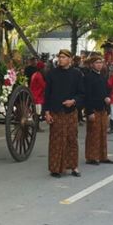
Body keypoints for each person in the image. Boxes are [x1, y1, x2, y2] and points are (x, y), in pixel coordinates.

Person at [44, 49, 84, 177]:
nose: (61, 59)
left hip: (71, 112)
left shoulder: (77, 74)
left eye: (64, 57)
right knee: (56, 140)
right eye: (60, 57)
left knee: (72, 139)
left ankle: (73, 166)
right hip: (56, 111)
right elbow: (47, 95)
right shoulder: (52, 74)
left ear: (70, 59)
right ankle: (55, 169)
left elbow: (82, 94)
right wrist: (46, 112)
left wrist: (73, 101)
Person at [83, 56, 113, 165]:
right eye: (96, 62)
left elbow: (106, 92)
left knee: (102, 133)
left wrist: (107, 99)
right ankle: (91, 157)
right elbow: (87, 96)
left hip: (102, 108)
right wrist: (89, 111)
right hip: (93, 109)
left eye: (100, 62)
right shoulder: (88, 77)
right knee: (93, 133)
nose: (99, 64)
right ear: (91, 64)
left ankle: (102, 156)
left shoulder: (103, 77)